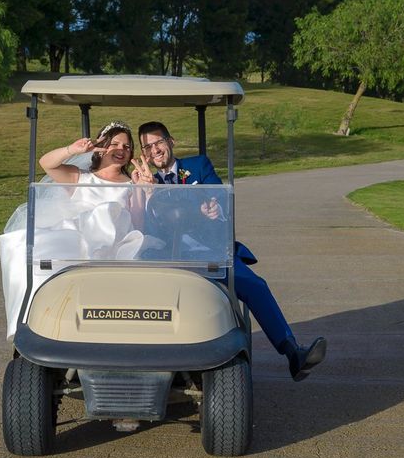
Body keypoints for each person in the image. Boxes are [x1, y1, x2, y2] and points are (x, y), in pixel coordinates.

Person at [136, 121, 327, 382]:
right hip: (166, 256)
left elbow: (218, 200)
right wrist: (148, 193)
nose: (155, 150)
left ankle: (292, 351)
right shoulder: (143, 179)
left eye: (158, 142)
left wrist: (214, 210)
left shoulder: (198, 166)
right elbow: (146, 227)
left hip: (208, 251)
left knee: (254, 284)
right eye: (147, 147)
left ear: (171, 142)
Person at [0, 121, 160, 340]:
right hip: (75, 241)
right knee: (26, 248)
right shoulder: (79, 178)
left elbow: (137, 226)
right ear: (102, 146)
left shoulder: (132, 184)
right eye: (115, 144)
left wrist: (143, 191)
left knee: (108, 213)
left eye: (127, 146)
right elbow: (47, 163)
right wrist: (72, 150)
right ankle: (35, 324)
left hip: (111, 247)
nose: (121, 150)